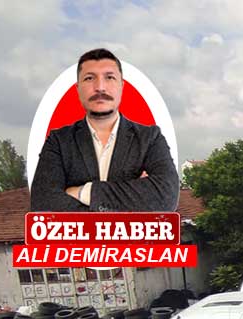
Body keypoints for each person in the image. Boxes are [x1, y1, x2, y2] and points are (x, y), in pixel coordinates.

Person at [30, 48, 179, 212]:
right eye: (89, 78)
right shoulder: (58, 141)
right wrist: (133, 197)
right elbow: (43, 201)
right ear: (78, 88)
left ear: (122, 86)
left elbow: (166, 195)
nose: (100, 87)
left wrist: (85, 192)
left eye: (109, 78)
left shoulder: (149, 138)